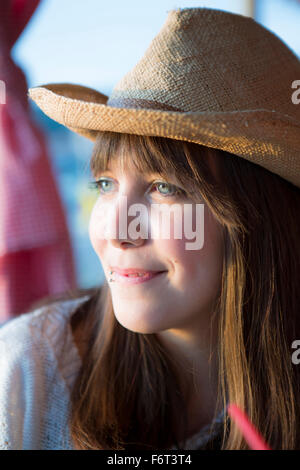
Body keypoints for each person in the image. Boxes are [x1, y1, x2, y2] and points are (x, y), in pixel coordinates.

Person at [1, 6, 300, 450]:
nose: (117, 230)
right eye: (105, 183)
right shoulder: (28, 372)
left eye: (164, 188)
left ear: (259, 216)